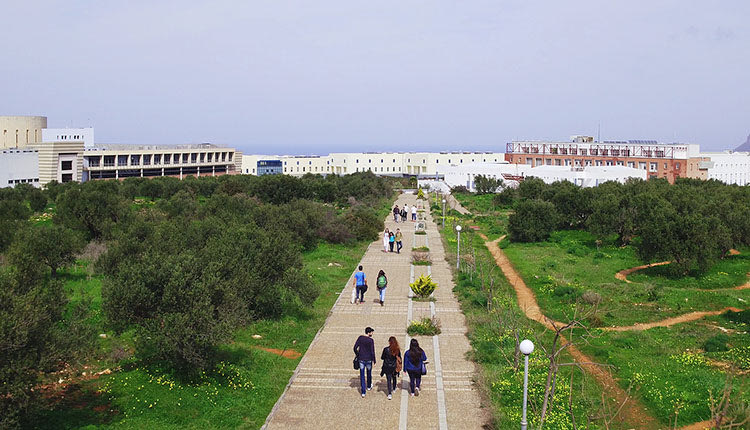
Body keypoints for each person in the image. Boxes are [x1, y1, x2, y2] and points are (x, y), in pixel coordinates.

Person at [353, 327, 376, 397]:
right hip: (368, 359)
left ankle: (363, 392)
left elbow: (354, 348)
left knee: (362, 375)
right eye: (371, 332)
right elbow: (372, 351)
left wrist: (358, 354)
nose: (372, 333)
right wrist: (374, 359)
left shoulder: (360, 338)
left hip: (361, 359)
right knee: (369, 373)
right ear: (368, 333)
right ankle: (369, 386)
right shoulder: (371, 340)